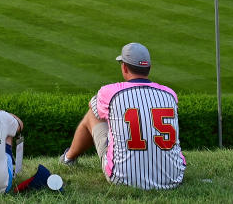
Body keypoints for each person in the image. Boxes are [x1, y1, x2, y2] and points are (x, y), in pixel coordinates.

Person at [58, 43, 185, 190]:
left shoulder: (110, 92)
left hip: (122, 178)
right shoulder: (170, 94)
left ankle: (68, 158)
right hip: (174, 177)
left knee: (92, 114)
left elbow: (93, 107)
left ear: (124, 67)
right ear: (148, 68)